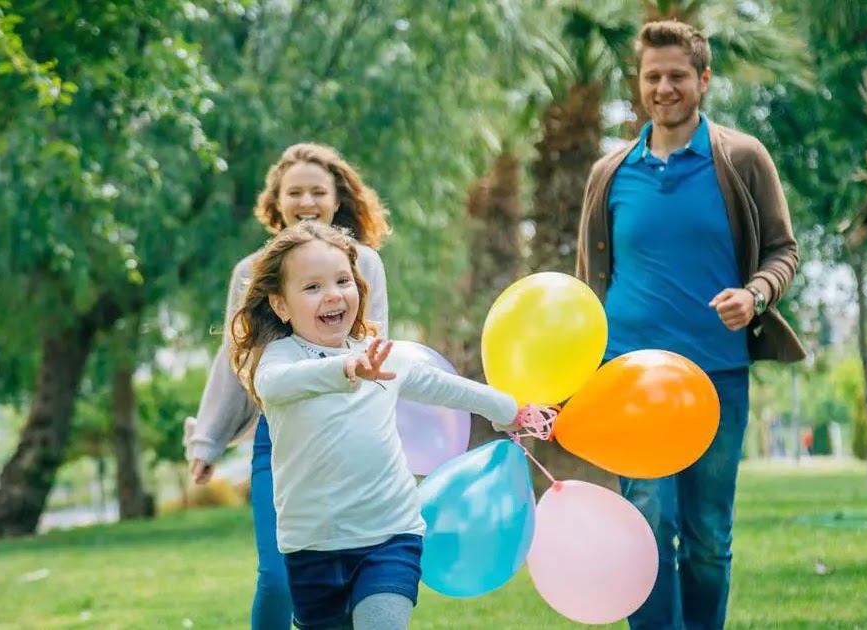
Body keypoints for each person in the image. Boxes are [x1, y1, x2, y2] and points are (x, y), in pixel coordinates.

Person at [575, 20, 805, 630]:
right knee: (647, 525)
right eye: (652, 76)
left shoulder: (742, 158)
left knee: (707, 537)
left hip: (716, 378)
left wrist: (755, 295)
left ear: (703, 79)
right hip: (628, 380)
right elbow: (588, 281)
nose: (664, 88)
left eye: (677, 75)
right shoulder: (609, 173)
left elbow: (783, 250)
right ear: (638, 82)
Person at [230, 220, 525, 630]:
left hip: (391, 534)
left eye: (342, 281)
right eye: (312, 287)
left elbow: (444, 387)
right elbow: (275, 385)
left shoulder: (381, 355)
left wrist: (508, 409)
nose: (333, 294)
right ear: (280, 305)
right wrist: (344, 369)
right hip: (311, 546)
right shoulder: (281, 358)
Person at [184, 143, 391, 630]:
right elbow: (236, 359)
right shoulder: (251, 271)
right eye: (294, 192)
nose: (307, 201)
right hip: (278, 442)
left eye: (318, 191)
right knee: (278, 579)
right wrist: (207, 440)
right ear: (276, 202)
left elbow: (374, 343)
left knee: (343, 577)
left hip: (347, 436)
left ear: (337, 199)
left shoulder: (363, 263)